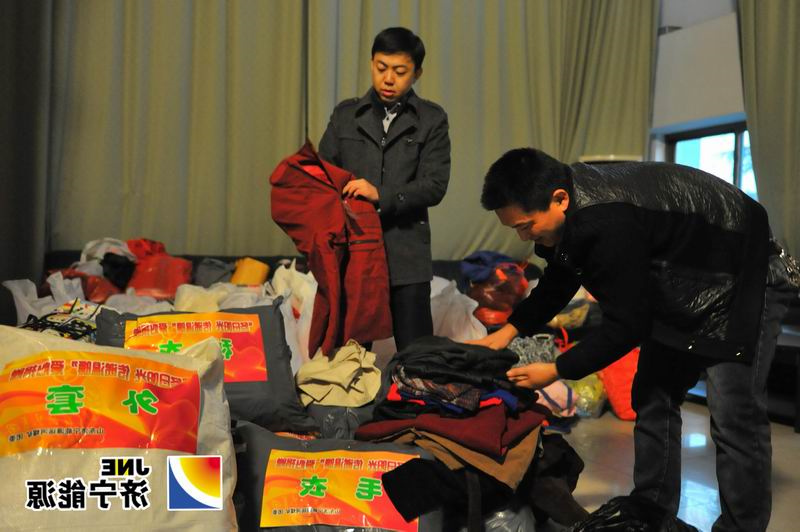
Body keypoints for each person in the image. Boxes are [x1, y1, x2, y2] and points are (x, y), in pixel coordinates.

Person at [470, 147, 797, 532]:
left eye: (526, 226)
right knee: (653, 397)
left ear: (560, 199)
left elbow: (627, 325)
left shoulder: (608, 220)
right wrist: (508, 331)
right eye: (515, 229)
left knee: (733, 413)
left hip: (745, 276)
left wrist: (557, 369)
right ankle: (650, 514)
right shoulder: (569, 213)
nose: (524, 236)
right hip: (685, 284)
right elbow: (560, 278)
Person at [319, 27, 450, 351]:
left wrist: (382, 194)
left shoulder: (431, 119)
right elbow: (323, 177)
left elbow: (435, 186)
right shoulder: (346, 115)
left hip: (406, 252)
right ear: (371, 64)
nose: (388, 79)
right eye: (381, 68)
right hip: (355, 250)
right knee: (349, 355)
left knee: (416, 353)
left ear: (417, 73)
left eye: (400, 71)